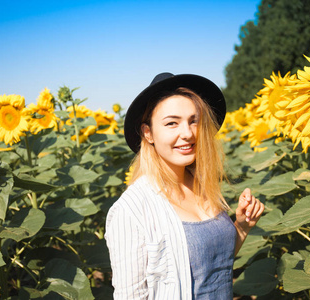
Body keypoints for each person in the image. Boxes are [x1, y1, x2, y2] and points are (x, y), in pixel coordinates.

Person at [105, 72, 264, 300]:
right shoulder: (132, 211)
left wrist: (241, 226)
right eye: (172, 123)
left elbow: (214, 266)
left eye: (194, 121)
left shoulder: (202, 186)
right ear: (147, 133)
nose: (188, 133)